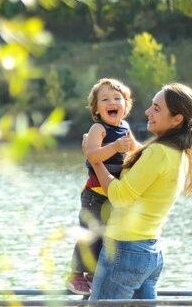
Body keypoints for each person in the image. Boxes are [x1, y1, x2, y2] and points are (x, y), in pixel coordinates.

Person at [84, 82, 192, 303]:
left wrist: (95, 160)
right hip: (150, 251)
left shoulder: (157, 152)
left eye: (156, 108)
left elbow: (118, 197)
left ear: (177, 120)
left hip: (125, 250)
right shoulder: (180, 154)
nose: (147, 112)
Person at [66, 78, 139, 295]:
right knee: (90, 234)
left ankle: (92, 273)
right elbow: (92, 154)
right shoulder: (99, 128)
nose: (112, 102)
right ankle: (75, 275)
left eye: (117, 98)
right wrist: (115, 146)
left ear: (125, 105)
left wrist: (152, 151)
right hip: (95, 194)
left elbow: (137, 149)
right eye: (105, 99)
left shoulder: (125, 127)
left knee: (106, 236)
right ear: (96, 108)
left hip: (113, 195)